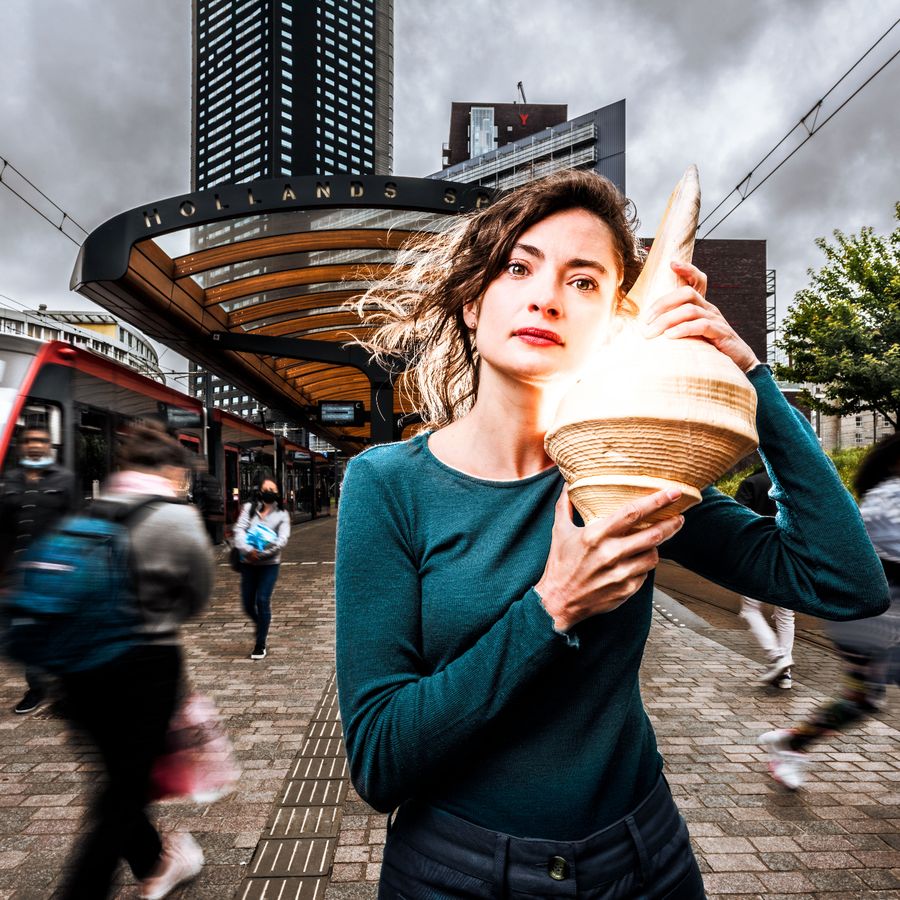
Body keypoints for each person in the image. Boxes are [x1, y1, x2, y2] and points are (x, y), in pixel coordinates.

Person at [334, 170, 890, 899]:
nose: (546, 296)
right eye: (518, 266)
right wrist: (551, 609)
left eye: (586, 282)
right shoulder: (386, 485)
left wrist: (752, 374)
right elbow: (379, 761)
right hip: (460, 874)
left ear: (611, 322)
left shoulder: (633, 471)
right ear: (473, 305)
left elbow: (845, 581)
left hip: (646, 861)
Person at [57, 423, 213, 899]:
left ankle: (152, 861)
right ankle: (84, 890)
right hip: (142, 665)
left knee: (119, 777)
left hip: (75, 667)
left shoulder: (94, 509)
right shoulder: (178, 517)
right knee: (122, 792)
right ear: (169, 469)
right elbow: (197, 596)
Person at [760, 433, 900, 790]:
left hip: (879, 614)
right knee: (862, 699)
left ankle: (792, 742)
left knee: (864, 700)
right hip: (870, 618)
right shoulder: (887, 498)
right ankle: (791, 743)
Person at [0, 424, 76, 714]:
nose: (35, 445)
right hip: (17, 572)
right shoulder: (10, 481)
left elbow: (73, 525)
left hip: (54, 570)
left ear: (49, 446)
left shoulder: (65, 480)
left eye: (41, 440)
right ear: (21, 445)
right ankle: (37, 687)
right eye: (29, 440)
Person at [735, 467, 796, 689]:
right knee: (785, 614)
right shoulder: (790, 484)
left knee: (750, 609)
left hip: (758, 554)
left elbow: (736, 520)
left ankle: (777, 656)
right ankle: (785, 674)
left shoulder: (751, 483)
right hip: (789, 554)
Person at [232, 477, 290, 659]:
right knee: (248, 605)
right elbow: (239, 530)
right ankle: (262, 624)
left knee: (262, 600)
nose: (268, 491)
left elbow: (282, 540)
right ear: (259, 491)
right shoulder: (249, 509)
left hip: (269, 565)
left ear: (278, 493)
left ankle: (260, 643)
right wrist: (248, 551)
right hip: (248, 563)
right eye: (265, 488)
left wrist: (262, 554)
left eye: (272, 489)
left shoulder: (282, 514)